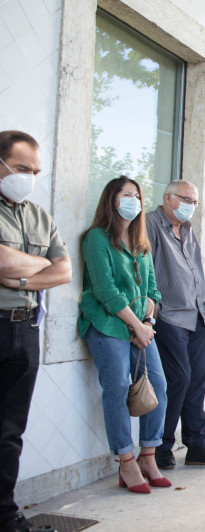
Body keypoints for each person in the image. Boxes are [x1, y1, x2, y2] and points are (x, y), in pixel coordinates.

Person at [79, 176, 170, 494]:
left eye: (137, 195)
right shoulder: (96, 239)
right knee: (117, 386)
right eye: (127, 195)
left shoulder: (141, 243)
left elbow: (153, 290)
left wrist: (147, 320)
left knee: (158, 384)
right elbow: (106, 290)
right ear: (112, 200)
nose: (134, 200)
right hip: (106, 324)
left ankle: (148, 455)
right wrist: (136, 325)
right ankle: (126, 461)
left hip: (140, 327)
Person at [0, 131, 72, 531]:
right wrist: (38, 265)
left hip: (25, 329)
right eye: (22, 168)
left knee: (10, 431)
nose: (28, 177)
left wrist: (23, 278)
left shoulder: (40, 216)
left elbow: (64, 270)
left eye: (35, 171)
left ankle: (5, 513)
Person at [146, 181, 205, 469]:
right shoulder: (149, 224)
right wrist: (152, 311)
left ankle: (196, 444)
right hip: (169, 316)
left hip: (198, 316)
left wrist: (203, 308)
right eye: (186, 200)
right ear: (168, 198)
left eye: (195, 202)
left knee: (196, 384)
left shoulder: (187, 230)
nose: (191, 206)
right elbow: (144, 269)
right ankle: (160, 446)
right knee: (178, 380)